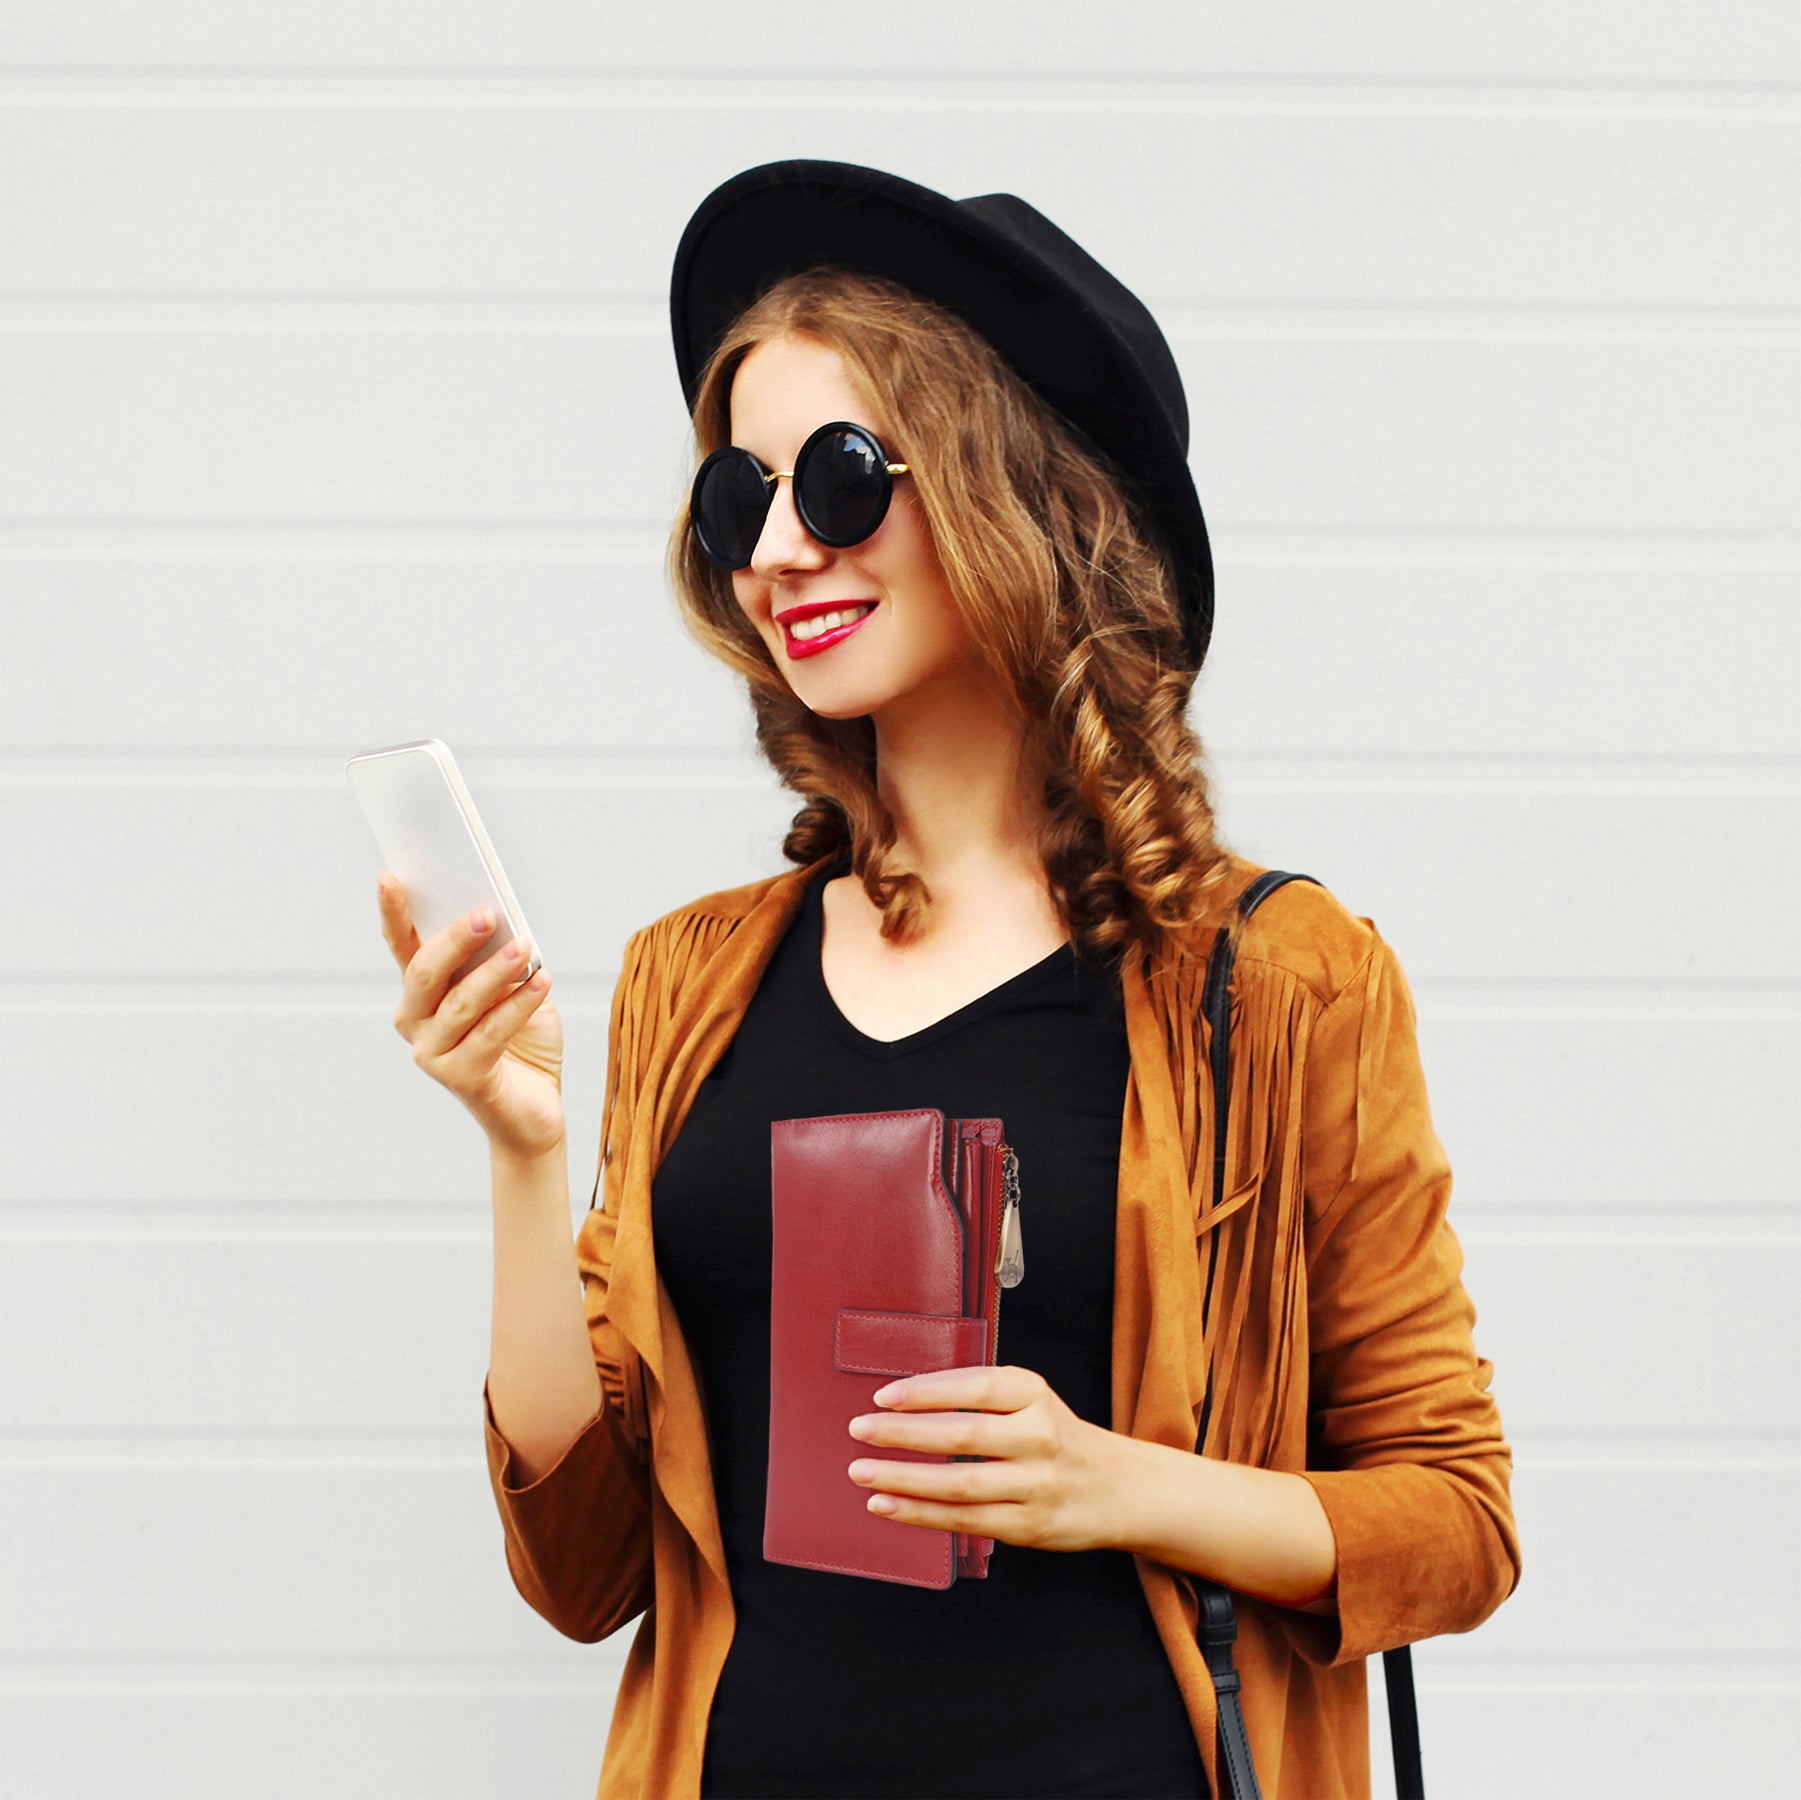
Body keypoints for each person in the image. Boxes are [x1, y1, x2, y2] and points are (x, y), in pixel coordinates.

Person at [377, 162, 1520, 1800]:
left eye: (839, 481)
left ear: (1015, 498)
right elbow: (583, 1571)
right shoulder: (696, 976)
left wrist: (1112, 1485)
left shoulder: (1277, 983)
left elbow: (1457, 1524)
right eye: (736, 499)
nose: (777, 550)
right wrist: (522, 1150)